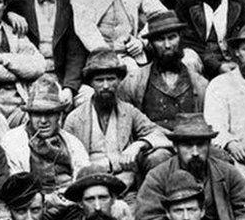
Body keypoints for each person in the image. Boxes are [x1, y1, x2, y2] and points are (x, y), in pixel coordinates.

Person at [135, 113, 245, 220]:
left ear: (209, 145)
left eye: (201, 145)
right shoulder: (158, 176)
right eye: (188, 146)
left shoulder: (227, 172)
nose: (195, 152)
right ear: (175, 147)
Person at [64, 50, 171, 192]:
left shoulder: (129, 111)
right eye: (99, 80)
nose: (106, 85)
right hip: (91, 185)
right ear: (90, 83)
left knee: (160, 155)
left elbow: (164, 135)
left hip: (127, 182)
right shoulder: (75, 119)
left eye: (111, 79)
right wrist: (106, 164)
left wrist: (140, 144)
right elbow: (68, 163)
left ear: (119, 80)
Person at [1, 78, 90, 220]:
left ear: (59, 115)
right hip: (33, 206)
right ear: (29, 115)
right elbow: (15, 182)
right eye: (37, 114)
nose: (43, 121)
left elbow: (83, 176)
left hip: (70, 206)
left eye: (49, 114)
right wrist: (46, 200)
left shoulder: (72, 142)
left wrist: (67, 198)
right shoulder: (13, 141)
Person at [8, 0, 87, 102]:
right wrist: (10, 14)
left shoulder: (69, 3)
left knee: (87, 96)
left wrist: (69, 88)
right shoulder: (19, 4)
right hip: (32, 78)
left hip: (61, 76)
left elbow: (75, 52)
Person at [205, 24, 245, 180]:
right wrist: (231, 143)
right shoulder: (220, 85)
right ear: (237, 52)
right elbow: (214, 126)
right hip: (236, 157)